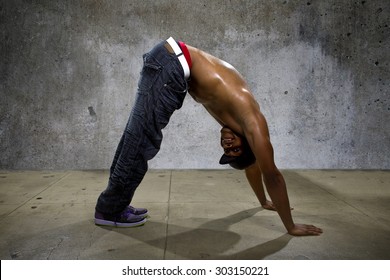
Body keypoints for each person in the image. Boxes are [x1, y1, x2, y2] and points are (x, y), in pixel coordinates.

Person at [94, 37, 323, 236]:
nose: (227, 145)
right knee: (141, 140)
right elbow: (270, 174)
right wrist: (290, 226)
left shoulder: (235, 124)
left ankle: (115, 204)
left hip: (168, 61)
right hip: (171, 63)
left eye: (227, 151)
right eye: (234, 149)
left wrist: (263, 201)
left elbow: (252, 166)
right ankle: (110, 210)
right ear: (251, 144)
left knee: (136, 138)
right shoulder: (253, 123)